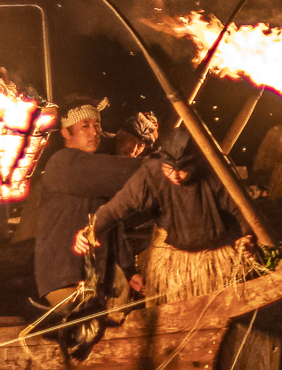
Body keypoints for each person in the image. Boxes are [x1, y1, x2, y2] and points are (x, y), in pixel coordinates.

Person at [73, 127, 253, 305]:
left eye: (182, 169)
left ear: (195, 163)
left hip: (217, 260)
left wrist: (247, 237)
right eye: (168, 167)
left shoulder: (215, 171)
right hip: (175, 264)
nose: (174, 175)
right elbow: (120, 205)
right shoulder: (151, 172)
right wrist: (93, 228)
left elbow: (241, 209)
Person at [34, 96, 143, 315]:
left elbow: (112, 222)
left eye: (97, 125)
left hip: (92, 276)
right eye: (85, 126)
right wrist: (166, 163)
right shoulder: (63, 163)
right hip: (67, 277)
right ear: (66, 132)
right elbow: (122, 172)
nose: (95, 132)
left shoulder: (93, 171)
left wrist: (130, 271)